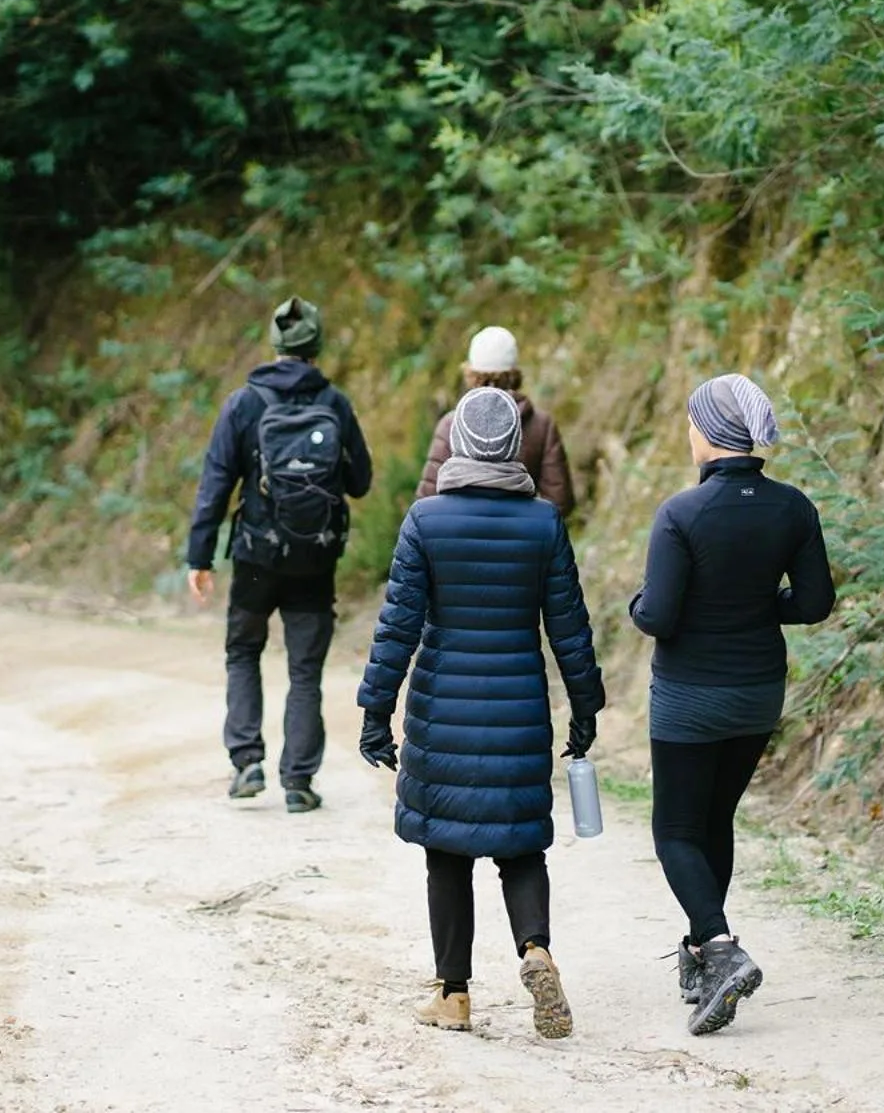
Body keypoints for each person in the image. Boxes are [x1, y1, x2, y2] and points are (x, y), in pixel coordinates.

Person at [357, 387, 605, 1039]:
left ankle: (455, 993)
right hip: (520, 706)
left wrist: (375, 710)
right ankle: (535, 949)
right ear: (512, 446)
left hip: (443, 711)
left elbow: (397, 629)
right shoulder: (543, 521)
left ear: (462, 442)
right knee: (520, 845)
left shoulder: (426, 520)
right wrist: (586, 707)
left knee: (448, 850)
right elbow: (570, 629)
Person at [628, 373, 835, 1036]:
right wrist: (753, 605)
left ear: (711, 433)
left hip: (690, 693)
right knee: (715, 818)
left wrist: (638, 605)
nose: (688, 432)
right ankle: (701, 954)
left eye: (692, 422)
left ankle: (719, 947)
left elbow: (658, 614)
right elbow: (813, 603)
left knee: (675, 831)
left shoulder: (682, 514)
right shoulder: (793, 508)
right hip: (757, 693)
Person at [186, 296, 373, 813]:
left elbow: (215, 485)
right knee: (304, 672)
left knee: (243, 652)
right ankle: (299, 782)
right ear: (316, 346)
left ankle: (247, 762)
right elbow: (361, 482)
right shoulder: (334, 404)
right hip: (314, 562)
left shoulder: (243, 404)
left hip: (254, 559)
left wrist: (199, 558)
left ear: (275, 344)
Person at [415, 325, 575, 516]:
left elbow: (427, 502)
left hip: (462, 539)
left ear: (471, 373)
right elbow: (560, 502)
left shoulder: (451, 424)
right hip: (521, 541)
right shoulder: (542, 424)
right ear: (514, 373)